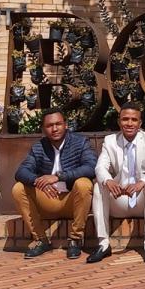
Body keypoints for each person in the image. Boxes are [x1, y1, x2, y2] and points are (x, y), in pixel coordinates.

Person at [12, 108, 97, 259]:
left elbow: (91, 167)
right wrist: (39, 181)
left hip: (72, 201)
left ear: (66, 125)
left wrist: (59, 176)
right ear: (44, 129)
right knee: (19, 189)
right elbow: (21, 172)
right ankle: (41, 240)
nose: (55, 128)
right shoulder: (39, 147)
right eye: (50, 125)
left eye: (58, 124)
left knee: (84, 184)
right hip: (48, 200)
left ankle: (75, 240)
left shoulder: (80, 142)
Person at [87, 102, 145, 265]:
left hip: (142, 199)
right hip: (119, 197)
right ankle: (103, 244)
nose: (129, 123)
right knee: (99, 186)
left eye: (134, 120)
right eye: (125, 119)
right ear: (119, 121)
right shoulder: (110, 141)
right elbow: (100, 166)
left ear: (140, 123)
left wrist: (141, 183)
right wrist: (108, 181)